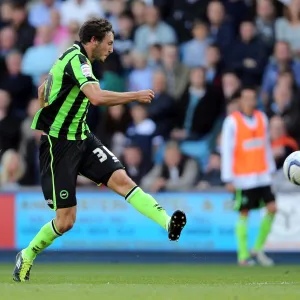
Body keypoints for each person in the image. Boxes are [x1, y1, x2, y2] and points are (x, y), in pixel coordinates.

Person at [13, 18, 186, 282]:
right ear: (93, 41)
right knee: (65, 221)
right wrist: (134, 95)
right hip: (58, 146)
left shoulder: (74, 58)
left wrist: (48, 108)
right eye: (109, 43)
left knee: (123, 180)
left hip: (83, 138)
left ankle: (167, 222)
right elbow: (96, 97)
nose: (112, 48)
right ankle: (27, 254)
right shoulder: (78, 60)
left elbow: (43, 90)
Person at [220, 87, 276, 266]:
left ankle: (257, 248)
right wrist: (227, 178)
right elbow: (227, 150)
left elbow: (266, 146)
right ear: (240, 101)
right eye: (246, 98)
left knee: (272, 208)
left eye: (253, 98)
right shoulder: (232, 121)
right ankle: (243, 256)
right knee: (244, 213)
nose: (250, 102)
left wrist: (271, 170)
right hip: (243, 177)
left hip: (262, 174)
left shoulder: (262, 118)